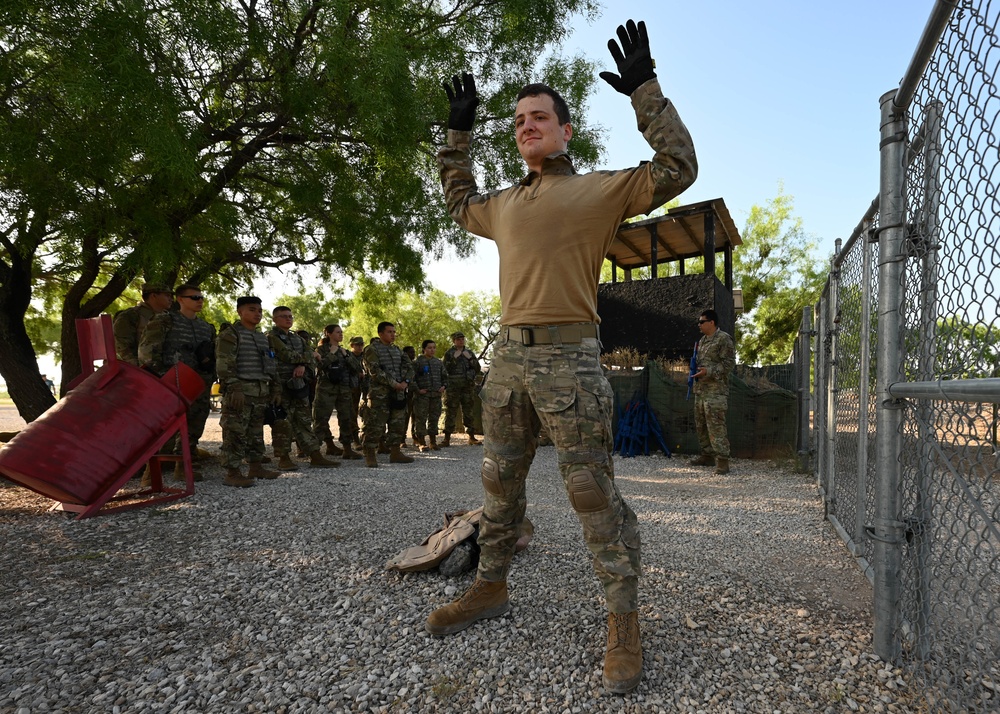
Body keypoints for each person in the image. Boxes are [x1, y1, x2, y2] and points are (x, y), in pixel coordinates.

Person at [425, 19, 697, 695]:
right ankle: (490, 586)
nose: (527, 126)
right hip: (508, 361)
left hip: (572, 361)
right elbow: (457, 200)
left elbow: (679, 168)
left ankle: (623, 621)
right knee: (498, 484)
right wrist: (457, 135)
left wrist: (646, 93)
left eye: (540, 117)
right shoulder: (505, 203)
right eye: (518, 120)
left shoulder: (598, 190)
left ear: (566, 130)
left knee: (590, 492)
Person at [138, 284, 217, 481]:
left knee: (194, 425)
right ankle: (150, 472)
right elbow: (147, 351)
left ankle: (183, 467)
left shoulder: (206, 327)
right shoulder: (165, 320)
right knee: (163, 427)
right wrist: (161, 377)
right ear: (180, 299)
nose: (199, 301)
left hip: (198, 383)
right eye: (194, 297)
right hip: (170, 381)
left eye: (201, 297)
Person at [215, 296, 282, 487]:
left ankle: (255, 466)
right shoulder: (231, 334)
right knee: (235, 432)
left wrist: (275, 388)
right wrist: (234, 387)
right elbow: (224, 363)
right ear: (240, 311)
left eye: (260, 310)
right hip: (240, 392)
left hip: (260, 392)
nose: (257, 314)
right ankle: (232, 472)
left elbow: (271, 364)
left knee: (255, 432)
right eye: (252, 309)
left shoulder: (262, 337)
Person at [267, 307, 338, 470]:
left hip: (299, 385)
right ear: (274, 319)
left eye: (290, 316)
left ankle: (315, 455)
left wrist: (302, 365)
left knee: (304, 420)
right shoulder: (271, 337)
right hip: (280, 385)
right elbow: (287, 355)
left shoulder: (298, 339)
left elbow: (315, 360)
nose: (288, 319)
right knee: (283, 422)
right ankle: (283, 458)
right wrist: (308, 358)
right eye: (283, 316)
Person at [360, 322, 415, 468]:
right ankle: (370, 452)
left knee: (397, 422)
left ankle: (395, 452)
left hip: (398, 392)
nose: (393, 334)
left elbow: (409, 366)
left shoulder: (397, 350)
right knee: (375, 424)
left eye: (394, 332)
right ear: (381, 333)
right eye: (390, 332)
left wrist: (405, 382)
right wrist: (394, 383)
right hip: (380, 394)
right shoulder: (372, 349)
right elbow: (375, 371)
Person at [690, 309, 736, 475]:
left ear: (712, 322)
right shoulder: (702, 341)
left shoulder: (723, 339)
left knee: (716, 425)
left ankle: (723, 461)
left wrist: (708, 372)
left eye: (702, 322)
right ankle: (707, 455)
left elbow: (729, 364)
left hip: (716, 392)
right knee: (701, 424)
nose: (699, 325)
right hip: (701, 390)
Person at [312, 324, 363, 460]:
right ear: (328, 334)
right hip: (326, 389)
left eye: (341, 332)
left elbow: (357, 368)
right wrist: (332, 353)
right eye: (337, 332)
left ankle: (347, 449)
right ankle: (315, 453)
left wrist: (346, 356)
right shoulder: (321, 349)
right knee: (321, 420)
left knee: (346, 419)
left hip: (344, 389)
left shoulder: (344, 351)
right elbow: (320, 366)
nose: (341, 334)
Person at [113, 284, 173, 365]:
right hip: (140, 369)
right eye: (167, 295)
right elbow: (121, 345)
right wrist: (137, 367)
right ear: (153, 296)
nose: (171, 299)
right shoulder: (131, 315)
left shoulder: (170, 317)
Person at [442, 332, 482, 446]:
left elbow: (477, 368)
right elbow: (444, 369)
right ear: (454, 341)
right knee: (451, 411)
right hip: (453, 387)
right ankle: (447, 438)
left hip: (467, 387)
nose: (461, 341)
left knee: (468, 411)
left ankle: (471, 436)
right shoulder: (449, 353)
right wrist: (454, 358)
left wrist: (470, 359)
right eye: (458, 339)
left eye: (462, 339)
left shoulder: (469, 353)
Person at [412, 339, 446, 451]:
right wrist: (418, 390)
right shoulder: (417, 362)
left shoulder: (438, 362)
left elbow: (445, 377)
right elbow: (411, 379)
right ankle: (421, 442)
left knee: (434, 418)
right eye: (429, 348)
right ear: (424, 349)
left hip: (436, 395)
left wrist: (444, 386)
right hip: (422, 396)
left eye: (434, 348)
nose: (432, 350)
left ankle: (433, 442)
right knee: (421, 419)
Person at [348, 336, 367, 449]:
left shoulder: (365, 356)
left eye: (361, 344)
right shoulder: (348, 356)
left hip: (365, 387)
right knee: (352, 413)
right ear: (352, 345)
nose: (360, 347)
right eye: (357, 345)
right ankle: (355, 439)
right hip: (352, 388)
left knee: (366, 411)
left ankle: (365, 436)